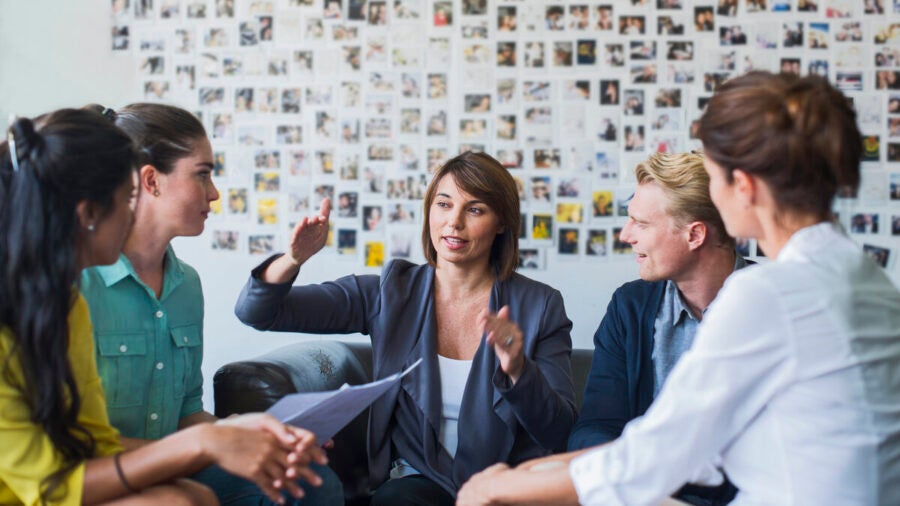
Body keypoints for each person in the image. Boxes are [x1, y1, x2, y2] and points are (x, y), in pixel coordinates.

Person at [458, 72, 900, 505]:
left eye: (714, 173)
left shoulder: (769, 294)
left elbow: (655, 459)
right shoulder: (865, 280)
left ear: (742, 185)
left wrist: (498, 487)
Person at [0, 108, 326, 505]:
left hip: (112, 468)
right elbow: (51, 485)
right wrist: (205, 443)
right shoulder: (60, 300)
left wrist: (235, 435)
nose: (131, 213)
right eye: (126, 199)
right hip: (46, 488)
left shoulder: (69, 307)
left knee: (199, 495)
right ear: (88, 214)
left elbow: (96, 443)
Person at [235, 151, 575, 506]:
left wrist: (519, 369)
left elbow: (559, 431)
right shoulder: (389, 291)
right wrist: (293, 259)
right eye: (444, 204)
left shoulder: (541, 306)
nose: (453, 222)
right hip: (417, 482)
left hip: (506, 485)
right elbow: (256, 312)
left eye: (475, 209)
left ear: (501, 223)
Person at [568, 152, 741, 506]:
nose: (625, 234)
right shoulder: (629, 307)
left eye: (641, 224)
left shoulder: (771, 307)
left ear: (694, 235)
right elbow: (594, 427)